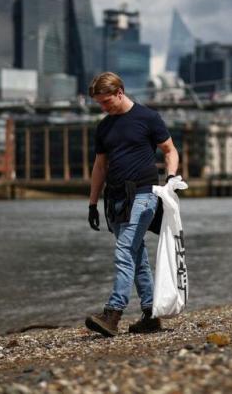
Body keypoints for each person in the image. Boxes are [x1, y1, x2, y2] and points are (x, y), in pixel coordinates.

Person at [85, 72, 179, 337]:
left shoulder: (147, 118)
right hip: (115, 199)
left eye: (106, 102)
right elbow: (100, 166)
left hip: (145, 194)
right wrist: (93, 203)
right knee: (137, 257)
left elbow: (170, 150)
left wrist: (170, 180)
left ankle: (113, 314)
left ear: (120, 92)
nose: (103, 107)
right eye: (99, 104)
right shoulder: (104, 127)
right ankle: (150, 315)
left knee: (124, 250)